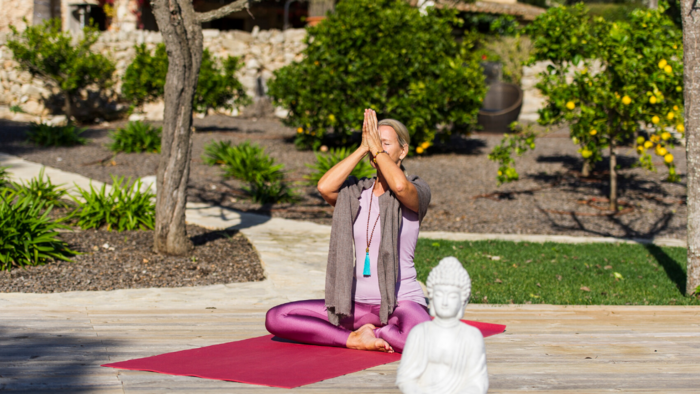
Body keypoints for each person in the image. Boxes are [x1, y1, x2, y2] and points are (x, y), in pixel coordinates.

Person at [265, 109, 431, 353]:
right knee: (277, 317)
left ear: (403, 151)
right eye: (374, 142)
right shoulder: (356, 193)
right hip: (355, 305)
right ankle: (354, 339)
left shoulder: (416, 190)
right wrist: (364, 147)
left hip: (401, 302)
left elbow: (398, 185)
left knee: (426, 344)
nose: (378, 148)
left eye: (385, 144)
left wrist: (376, 149)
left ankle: (378, 331)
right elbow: (324, 187)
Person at [396, 257, 489, 394]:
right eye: (439, 295)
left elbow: (478, 382)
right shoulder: (420, 333)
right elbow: (406, 379)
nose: (445, 302)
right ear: (432, 298)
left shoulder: (472, 336)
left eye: (452, 296)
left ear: (463, 300)